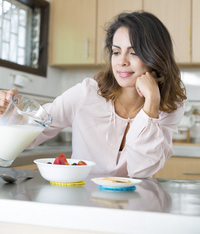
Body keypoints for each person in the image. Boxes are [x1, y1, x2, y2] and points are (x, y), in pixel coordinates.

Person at [0, 11, 186, 178]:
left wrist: (152, 103)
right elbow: (31, 133)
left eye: (134, 53)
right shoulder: (86, 94)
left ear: (156, 56)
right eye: (116, 52)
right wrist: (7, 112)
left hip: (135, 205)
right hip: (82, 201)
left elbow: (141, 171)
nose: (121, 62)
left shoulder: (170, 106)